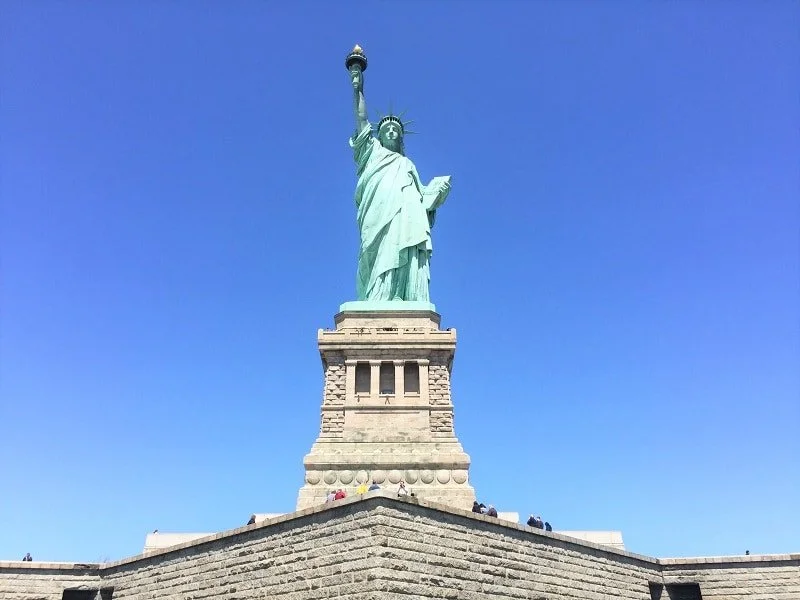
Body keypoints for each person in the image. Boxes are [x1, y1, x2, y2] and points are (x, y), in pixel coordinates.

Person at [349, 60, 451, 302]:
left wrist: (437, 194)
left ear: (401, 138)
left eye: (397, 130)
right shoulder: (371, 152)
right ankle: (377, 298)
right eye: (387, 130)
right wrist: (357, 88)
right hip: (376, 215)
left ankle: (399, 296)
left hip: (405, 218)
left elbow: (422, 200)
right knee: (376, 251)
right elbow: (361, 120)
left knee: (402, 246)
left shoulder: (408, 165)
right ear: (380, 136)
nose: (392, 132)